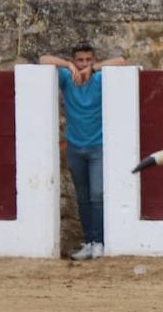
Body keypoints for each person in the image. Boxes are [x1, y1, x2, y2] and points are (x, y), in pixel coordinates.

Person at [40, 42, 125, 261]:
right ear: (74, 61)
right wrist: (68, 66)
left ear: (93, 60)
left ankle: (99, 242)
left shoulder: (99, 78)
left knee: (97, 195)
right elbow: (43, 60)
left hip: (98, 146)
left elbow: (121, 61)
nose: (84, 64)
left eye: (88, 60)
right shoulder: (67, 77)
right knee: (83, 197)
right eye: (80, 60)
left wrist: (93, 69)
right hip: (75, 147)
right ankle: (89, 242)